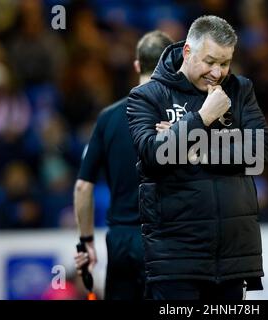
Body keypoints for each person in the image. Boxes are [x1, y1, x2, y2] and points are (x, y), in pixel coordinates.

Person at [127, 15, 268, 300]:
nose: (218, 73)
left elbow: (258, 152)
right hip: (175, 260)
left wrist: (191, 146)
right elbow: (154, 154)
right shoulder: (147, 96)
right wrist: (204, 117)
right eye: (210, 62)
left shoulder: (241, 90)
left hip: (233, 258)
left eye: (225, 63)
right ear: (187, 52)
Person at [73, 30, 173, 300]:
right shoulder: (181, 119)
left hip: (121, 240)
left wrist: (87, 242)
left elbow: (83, 187)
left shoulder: (107, 118)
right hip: (167, 239)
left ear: (137, 65)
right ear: (172, 66)